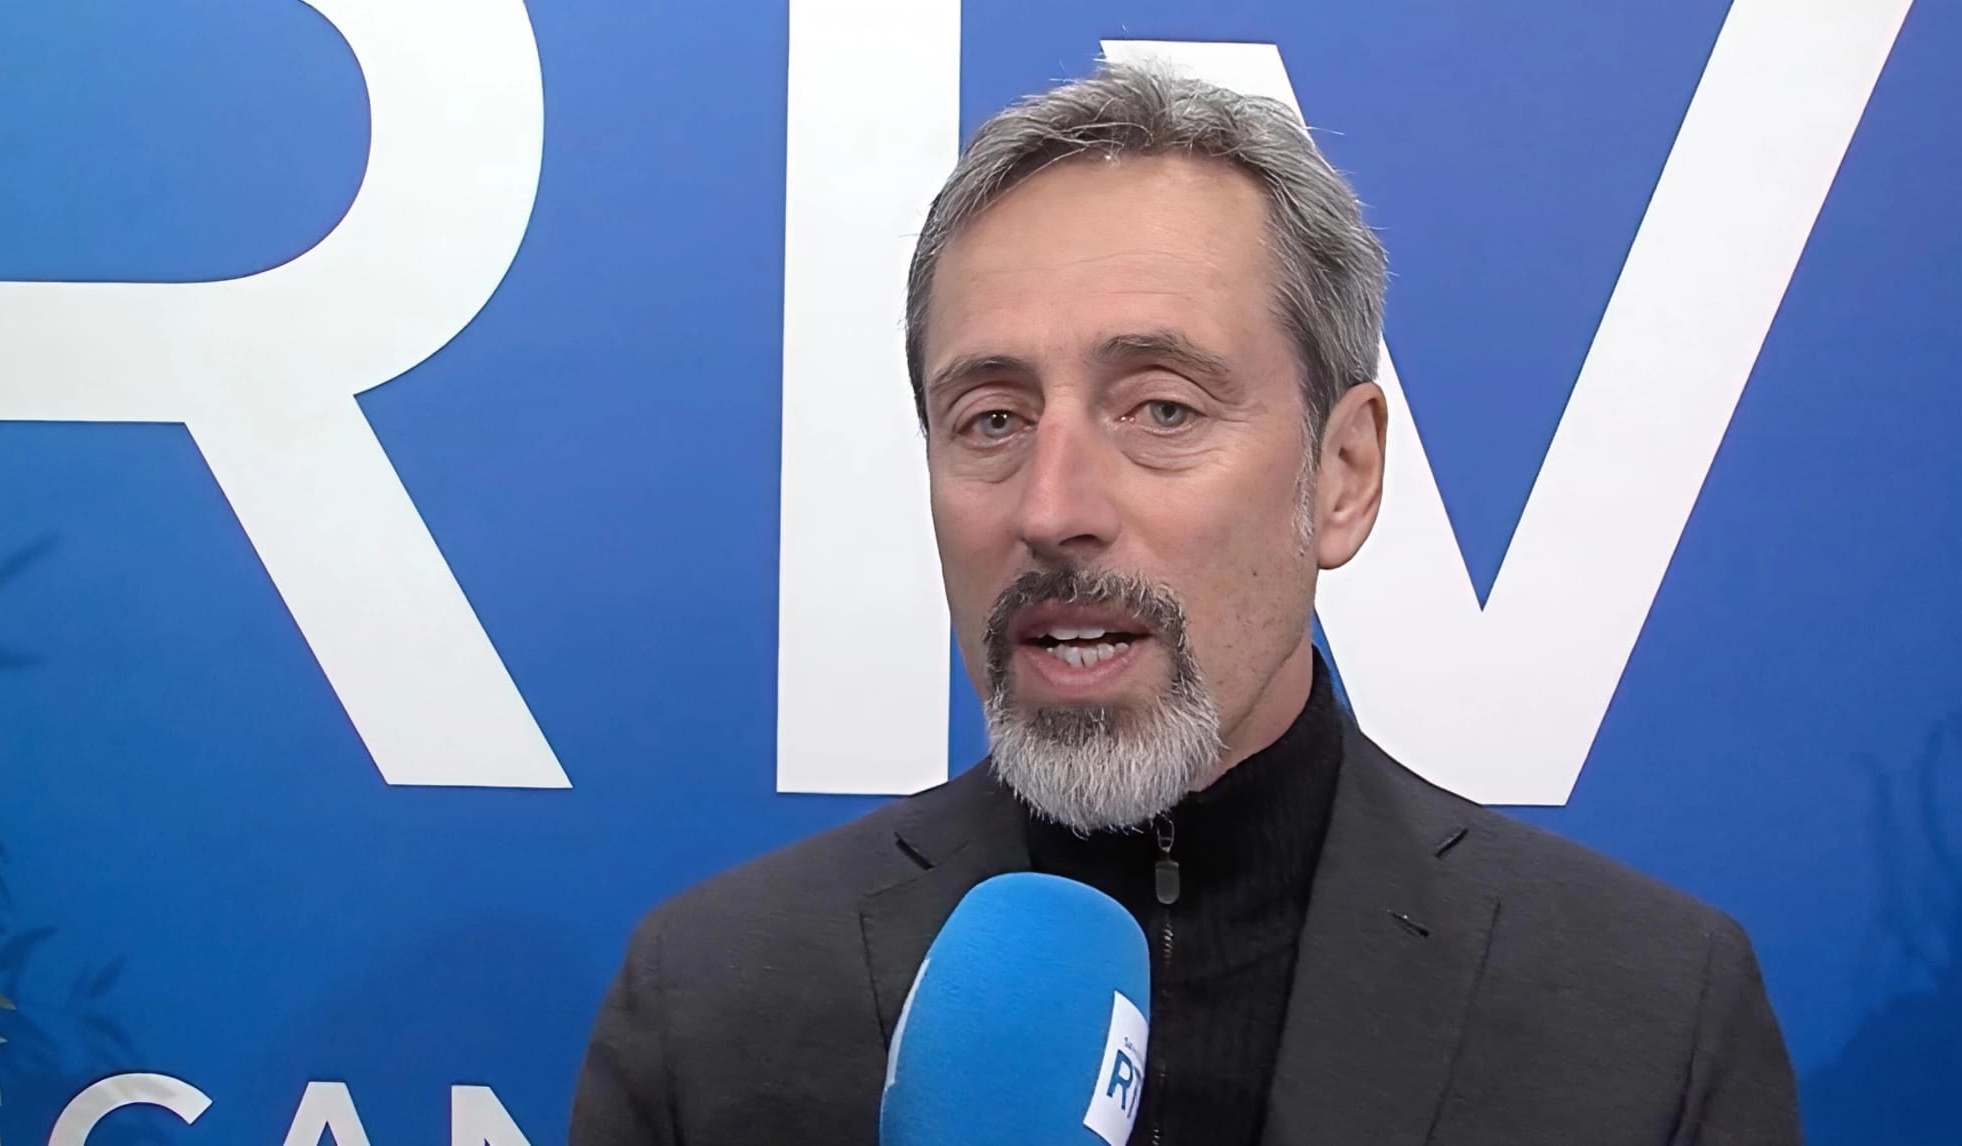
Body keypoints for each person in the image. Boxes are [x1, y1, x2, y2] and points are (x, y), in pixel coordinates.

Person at [568, 61, 1801, 1145]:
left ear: (1342, 474)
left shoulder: (1649, 1014)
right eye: (990, 419)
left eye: (1161, 408)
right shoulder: (712, 1003)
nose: (1051, 507)